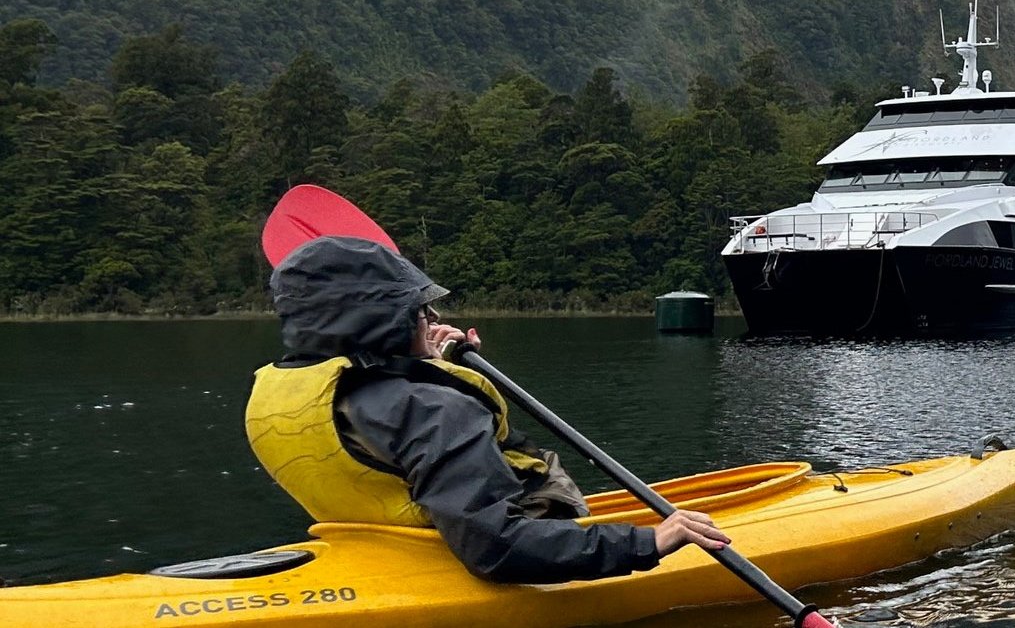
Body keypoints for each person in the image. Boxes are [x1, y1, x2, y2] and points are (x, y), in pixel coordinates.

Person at [245, 235, 729, 583]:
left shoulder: (286, 392)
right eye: (421, 312)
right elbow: (497, 546)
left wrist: (426, 366)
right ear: (387, 322)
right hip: (487, 555)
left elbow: (382, 441)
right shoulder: (435, 412)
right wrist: (648, 542)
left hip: (378, 551)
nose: (432, 319)